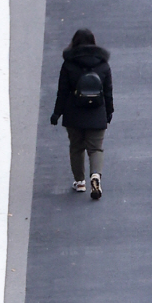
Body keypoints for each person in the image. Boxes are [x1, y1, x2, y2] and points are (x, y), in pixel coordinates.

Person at [49, 27, 113, 198]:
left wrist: (57, 113)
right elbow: (108, 92)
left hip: (74, 113)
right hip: (97, 112)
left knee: (76, 147)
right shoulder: (103, 64)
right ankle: (95, 175)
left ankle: (80, 182)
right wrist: (109, 112)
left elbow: (62, 92)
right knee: (96, 149)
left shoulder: (69, 64)